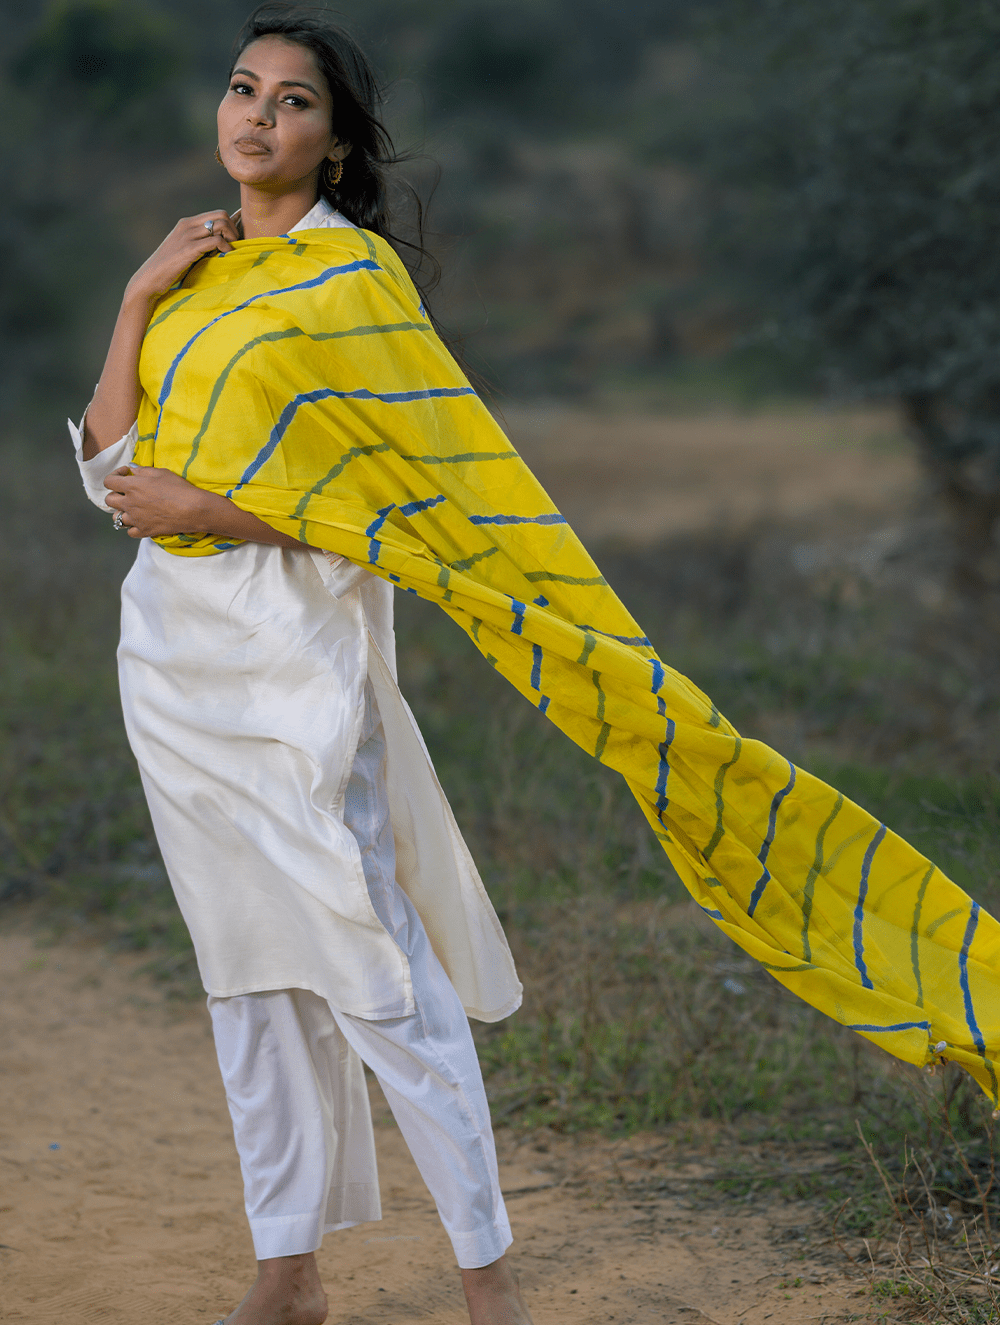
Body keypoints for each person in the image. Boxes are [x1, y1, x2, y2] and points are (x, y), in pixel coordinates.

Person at [74, 6, 532, 1324]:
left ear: (335, 146)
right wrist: (136, 294)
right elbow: (111, 466)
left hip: (299, 665)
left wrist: (215, 515)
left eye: (292, 101)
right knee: (247, 965)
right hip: (175, 663)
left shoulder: (354, 283)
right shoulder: (195, 270)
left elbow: (412, 498)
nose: (257, 115)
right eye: (243, 89)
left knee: (375, 964)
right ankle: (288, 1273)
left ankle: (487, 1280)